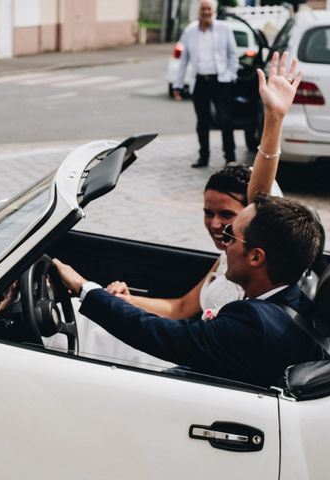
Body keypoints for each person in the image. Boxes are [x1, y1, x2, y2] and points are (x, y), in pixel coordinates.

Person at [54, 193, 325, 387]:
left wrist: (83, 287)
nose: (223, 243)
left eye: (231, 235)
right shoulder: (295, 303)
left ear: (256, 257)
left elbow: (158, 334)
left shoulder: (254, 324)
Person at [108, 51, 301, 321]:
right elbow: (182, 308)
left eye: (226, 215)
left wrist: (274, 118)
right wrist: (123, 301)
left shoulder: (252, 260)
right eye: (208, 212)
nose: (214, 224)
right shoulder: (228, 255)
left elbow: (260, 195)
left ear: (248, 217)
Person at [172, 0, 239, 167]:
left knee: (225, 120)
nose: (206, 11)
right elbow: (183, 61)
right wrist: (177, 84)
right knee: (202, 121)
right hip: (200, 81)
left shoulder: (224, 29)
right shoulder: (190, 31)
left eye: (209, 8)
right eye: (203, 8)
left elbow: (233, 54)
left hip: (220, 81)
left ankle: (230, 158)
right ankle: (204, 157)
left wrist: (231, 75)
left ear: (213, 11)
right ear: (198, 11)